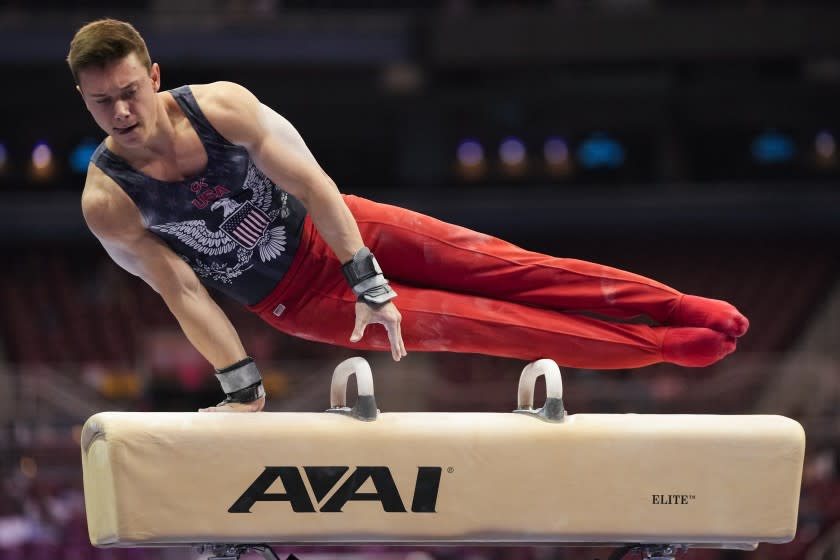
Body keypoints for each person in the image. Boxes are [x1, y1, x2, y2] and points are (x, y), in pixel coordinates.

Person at [67, 19, 749, 413]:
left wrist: (368, 280)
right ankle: (659, 347)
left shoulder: (222, 109)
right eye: (103, 103)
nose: (122, 113)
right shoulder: (110, 200)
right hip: (299, 301)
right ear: (84, 99)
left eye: (130, 92)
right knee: (496, 328)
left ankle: (674, 306)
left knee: (511, 270)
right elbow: (182, 290)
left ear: (153, 76)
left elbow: (314, 183)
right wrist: (241, 385)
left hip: (342, 233)